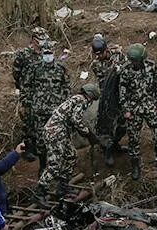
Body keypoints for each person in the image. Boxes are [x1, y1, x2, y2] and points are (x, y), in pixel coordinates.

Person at [39, 84, 102, 197]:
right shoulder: (82, 100)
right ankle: (40, 191)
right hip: (55, 132)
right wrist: (88, 133)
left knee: (71, 155)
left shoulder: (76, 99)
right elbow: (76, 119)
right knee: (55, 164)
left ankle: (63, 186)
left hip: (59, 132)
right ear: (90, 96)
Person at [119, 44, 157, 179]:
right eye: (132, 61)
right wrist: (126, 110)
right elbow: (122, 92)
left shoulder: (151, 67)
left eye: (136, 61)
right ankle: (135, 166)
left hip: (151, 105)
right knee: (133, 138)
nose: (133, 63)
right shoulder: (126, 71)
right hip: (134, 109)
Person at [28, 39, 71, 175]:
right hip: (39, 110)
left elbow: (66, 88)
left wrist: (65, 107)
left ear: (53, 53)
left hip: (56, 112)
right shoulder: (34, 68)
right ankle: (42, 166)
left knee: (57, 139)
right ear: (42, 53)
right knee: (41, 140)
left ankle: (58, 167)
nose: (47, 55)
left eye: (49, 52)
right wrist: (30, 103)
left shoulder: (61, 69)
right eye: (45, 52)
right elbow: (27, 86)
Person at [13, 27, 51, 162]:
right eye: (40, 40)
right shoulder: (23, 54)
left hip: (41, 93)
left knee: (39, 120)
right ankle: (26, 148)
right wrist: (22, 88)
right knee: (28, 121)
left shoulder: (44, 54)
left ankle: (37, 146)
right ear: (34, 40)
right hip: (27, 93)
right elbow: (16, 73)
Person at [91, 35, 127, 166]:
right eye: (96, 55)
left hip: (122, 95)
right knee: (108, 126)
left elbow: (127, 70)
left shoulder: (118, 56)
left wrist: (120, 71)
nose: (98, 57)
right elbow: (104, 84)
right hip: (108, 98)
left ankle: (116, 144)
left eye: (100, 54)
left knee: (123, 125)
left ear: (106, 50)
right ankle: (108, 149)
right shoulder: (96, 65)